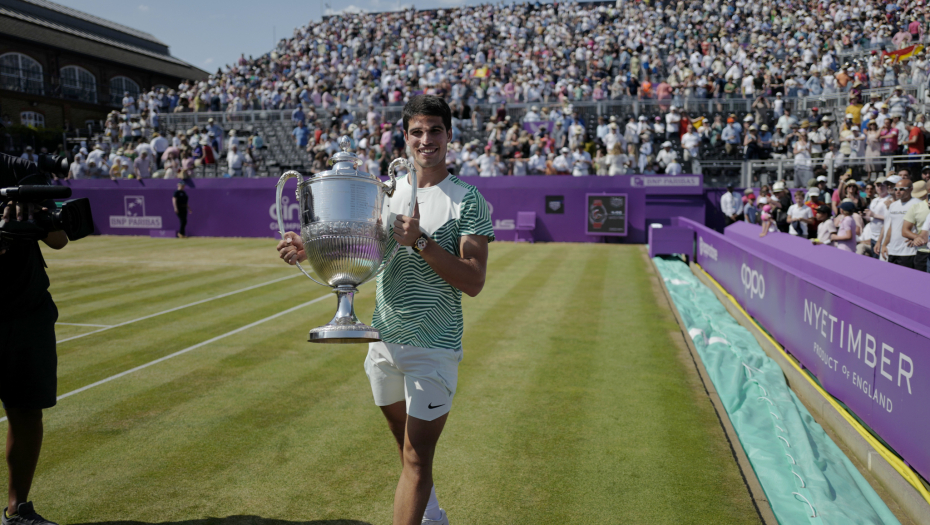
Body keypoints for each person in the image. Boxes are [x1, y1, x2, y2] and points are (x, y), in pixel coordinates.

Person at [278, 95, 493, 525]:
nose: (426, 140)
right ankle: (433, 517)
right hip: (382, 342)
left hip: (433, 347)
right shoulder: (388, 193)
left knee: (416, 459)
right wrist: (311, 249)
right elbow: (367, 253)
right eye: (417, 132)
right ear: (405, 137)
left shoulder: (468, 199)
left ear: (449, 135)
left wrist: (422, 241)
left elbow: (473, 280)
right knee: (406, 449)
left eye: (435, 130)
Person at [0, 154, 69, 525]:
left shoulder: (19, 169)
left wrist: (38, 220)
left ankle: (18, 510)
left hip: (27, 309)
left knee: (27, 409)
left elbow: (59, 239)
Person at [881, 180, 919, 267]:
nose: (897, 191)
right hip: (893, 250)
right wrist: (884, 245)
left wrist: (917, 237)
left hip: (909, 251)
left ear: (910, 189)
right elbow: (891, 227)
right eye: (896, 189)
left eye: (902, 189)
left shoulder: (917, 204)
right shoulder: (893, 205)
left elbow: (924, 225)